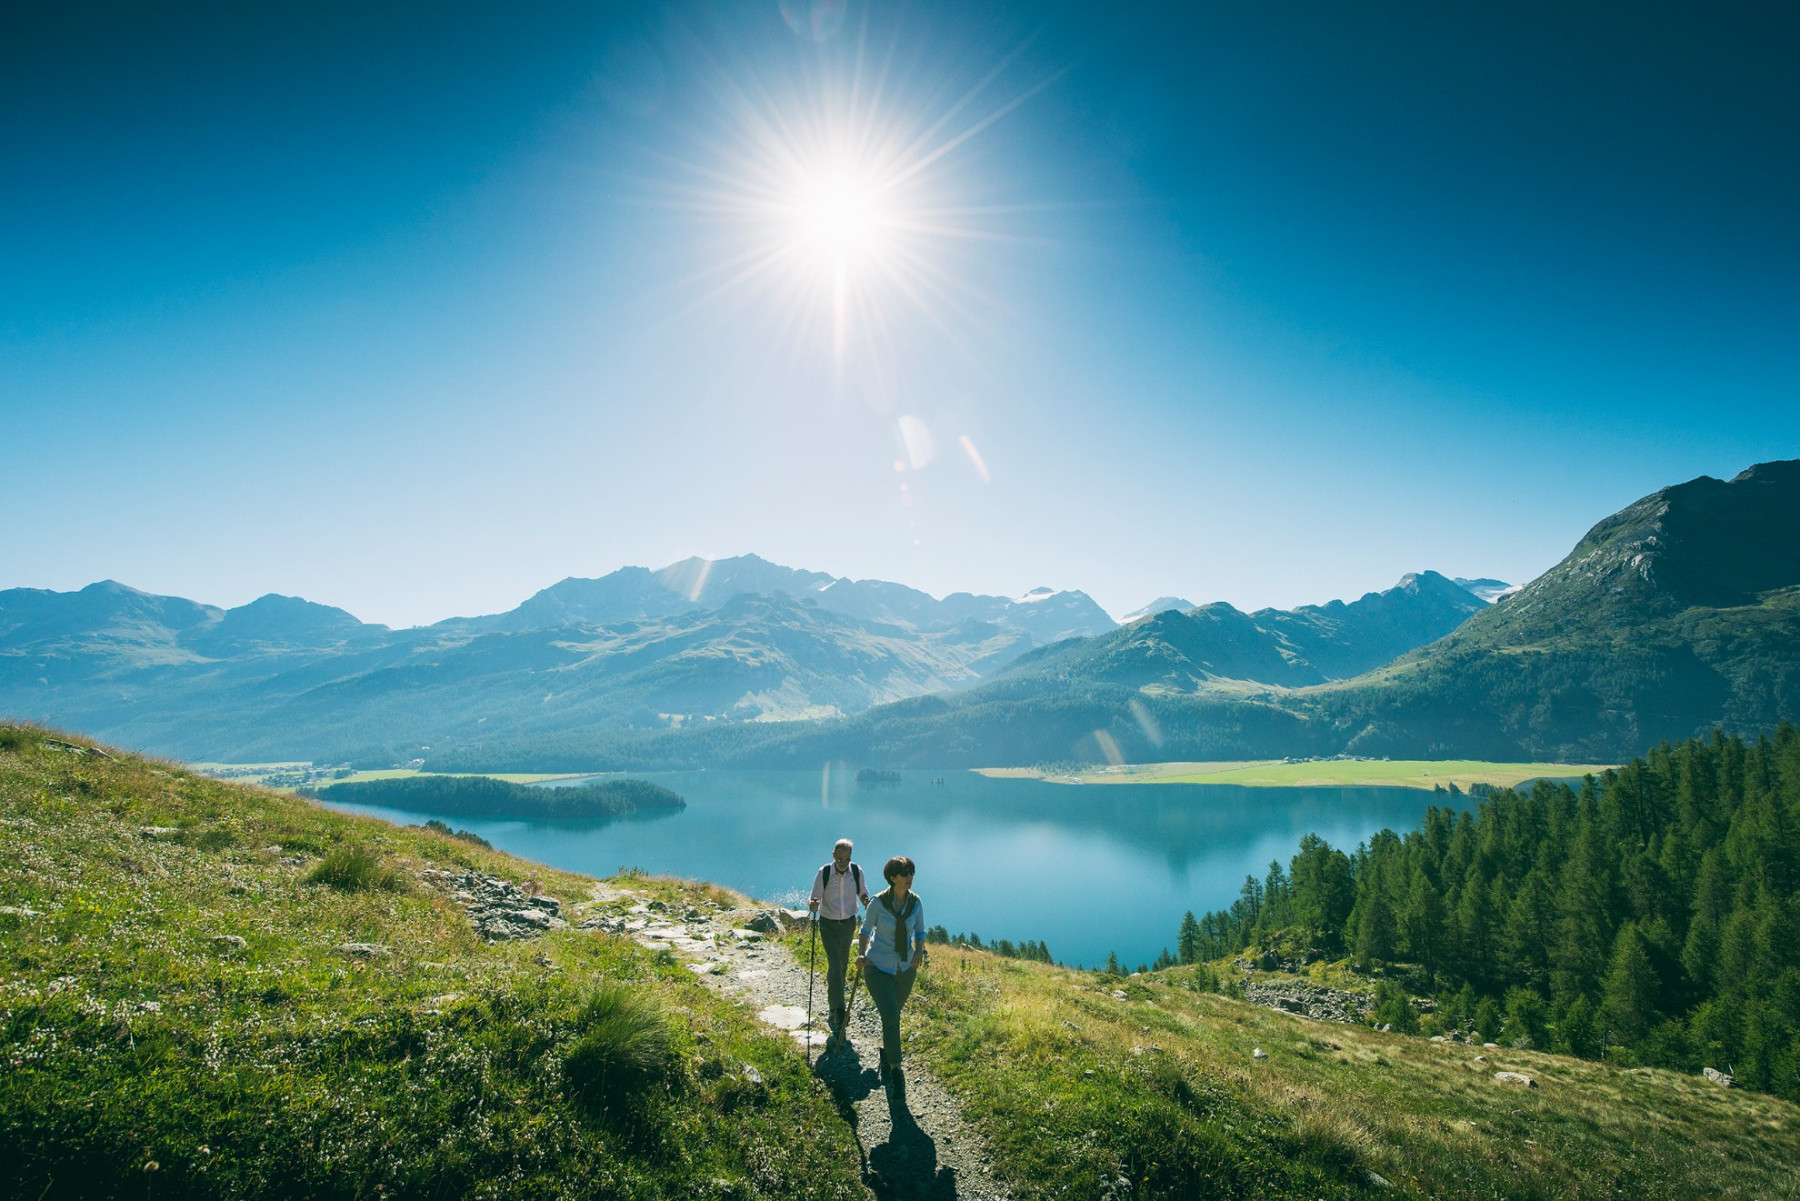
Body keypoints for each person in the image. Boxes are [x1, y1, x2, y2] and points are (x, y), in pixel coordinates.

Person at [857, 855, 927, 1100]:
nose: (909, 878)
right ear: (892, 877)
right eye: (905, 873)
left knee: (893, 1014)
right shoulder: (877, 903)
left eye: (911, 873)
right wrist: (860, 954)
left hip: (905, 968)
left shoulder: (915, 903)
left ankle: (886, 1056)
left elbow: (920, 931)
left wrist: (918, 951)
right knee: (890, 1015)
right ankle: (896, 1069)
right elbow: (865, 931)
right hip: (877, 966)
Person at [808, 837, 870, 1046]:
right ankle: (837, 1008)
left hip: (848, 923)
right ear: (833, 855)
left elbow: (863, 892)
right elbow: (814, 896)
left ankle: (836, 1000)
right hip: (828, 924)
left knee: (841, 965)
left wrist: (866, 901)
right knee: (835, 964)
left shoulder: (856, 871)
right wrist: (813, 904)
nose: (843, 864)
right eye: (840, 859)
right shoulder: (824, 872)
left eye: (847, 859)